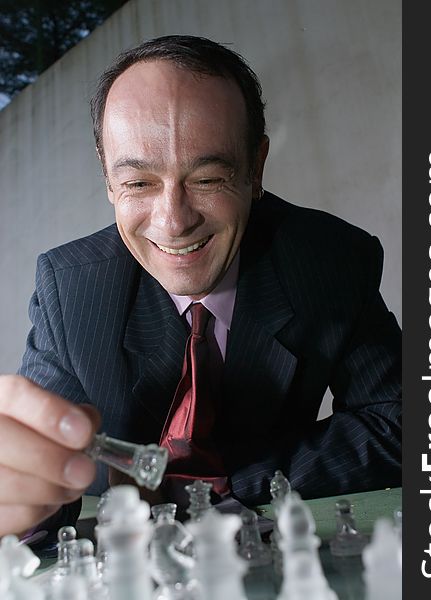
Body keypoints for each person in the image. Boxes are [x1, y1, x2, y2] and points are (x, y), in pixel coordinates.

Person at [0, 35, 401, 538]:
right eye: (139, 184)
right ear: (107, 179)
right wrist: (21, 488)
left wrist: (226, 482)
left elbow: (401, 425)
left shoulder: (332, 261)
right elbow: (38, 492)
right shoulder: (70, 287)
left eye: (208, 179)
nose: (174, 222)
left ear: (255, 168)